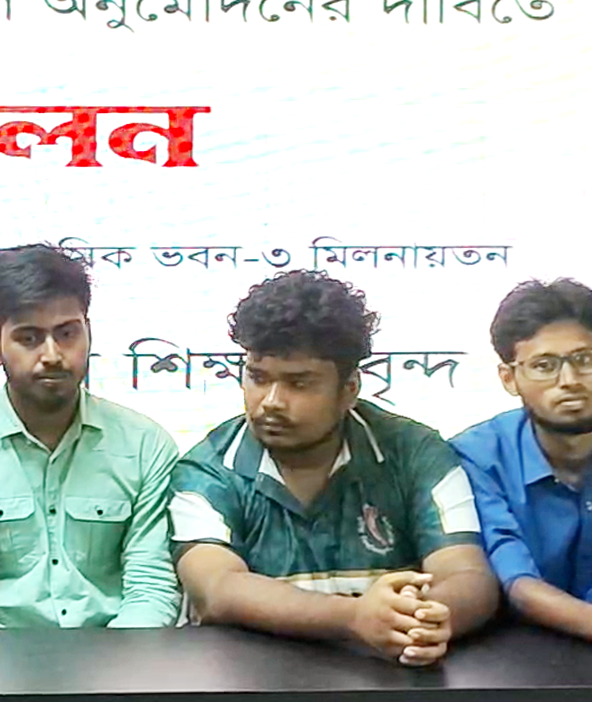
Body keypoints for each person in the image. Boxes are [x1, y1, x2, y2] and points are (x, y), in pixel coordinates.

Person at [171, 271, 498, 665]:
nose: (270, 401)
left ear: (350, 390)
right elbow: (217, 589)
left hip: (391, 689)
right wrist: (355, 617)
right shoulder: (208, 468)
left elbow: (468, 576)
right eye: (257, 377)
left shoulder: (416, 452)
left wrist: (425, 619)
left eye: (299, 384)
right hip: (247, 688)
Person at [0, 244, 180, 628]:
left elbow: (151, 587)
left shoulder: (145, 447)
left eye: (66, 333)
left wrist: (118, 663)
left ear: (88, 332)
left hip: (118, 655)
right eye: (29, 338)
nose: (52, 355)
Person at [451, 279, 592, 647]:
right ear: (509, 378)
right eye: (545, 366)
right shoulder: (478, 458)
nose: (569, 381)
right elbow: (518, 582)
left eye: (584, 360)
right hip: (516, 656)